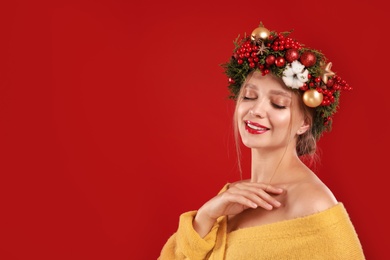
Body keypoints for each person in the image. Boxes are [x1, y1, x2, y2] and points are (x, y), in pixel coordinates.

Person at [158, 22, 365, 259]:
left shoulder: (312, 203)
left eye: (278, 104)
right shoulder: (232, 197)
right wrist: (206, 216)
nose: (256, 110)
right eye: (249, 96)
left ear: (304, 124)